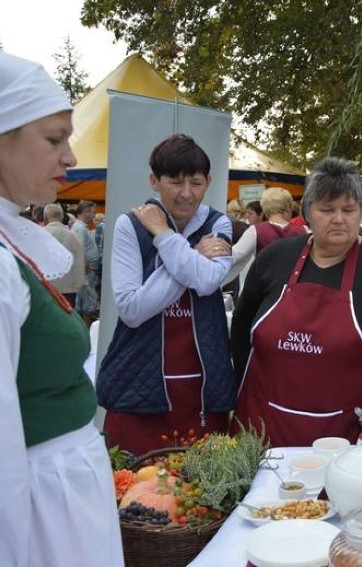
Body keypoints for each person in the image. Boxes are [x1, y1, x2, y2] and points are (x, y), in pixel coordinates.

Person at [0, 51, 123, 566]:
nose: (69, 157)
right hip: (41, 508)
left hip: (59, 495)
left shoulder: (13, 244)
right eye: (53, 139)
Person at [231, 157, 362, 446]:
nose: (339, 219)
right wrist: (239, 383)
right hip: (263, 428)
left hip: (348, 436)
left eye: (349, 210)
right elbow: (241, 324)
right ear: (307, 212)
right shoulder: (275, 258)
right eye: (327, 209)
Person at [97, 133, 236, 456]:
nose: (187, 194)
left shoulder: (219, 224)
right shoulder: (129, 225)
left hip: (203, 390)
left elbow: (206, 281)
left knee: (204, 496)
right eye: (175, 181)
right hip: (140, 386)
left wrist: (164, 236)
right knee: (134, 491)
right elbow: (132, 309)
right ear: (154, 181)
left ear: (209, 182)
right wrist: (191, 255)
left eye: (197, 183)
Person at [223, 186, 306, 289]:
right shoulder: (305, 231)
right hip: (294, 291)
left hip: (265, 291)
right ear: (288, 206)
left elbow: (234, 256)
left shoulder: (255, 231)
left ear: (265, 207)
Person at [43, 202, 87, 306]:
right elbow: (80, 261)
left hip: (46, 286)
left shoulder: (41, 234)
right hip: (69, 288)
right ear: (62, 217)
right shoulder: (73, 236)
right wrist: (80, 283)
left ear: (45, 217)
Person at [72, 199, 100, 322]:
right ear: (85, 212)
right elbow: (79, 248)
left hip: (87, 270)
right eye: (92, 212)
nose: (93, 215)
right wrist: (85, 264)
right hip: (87, 271)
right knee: (88, 303)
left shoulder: (81, 227)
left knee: (86, 302)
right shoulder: (80, 228)